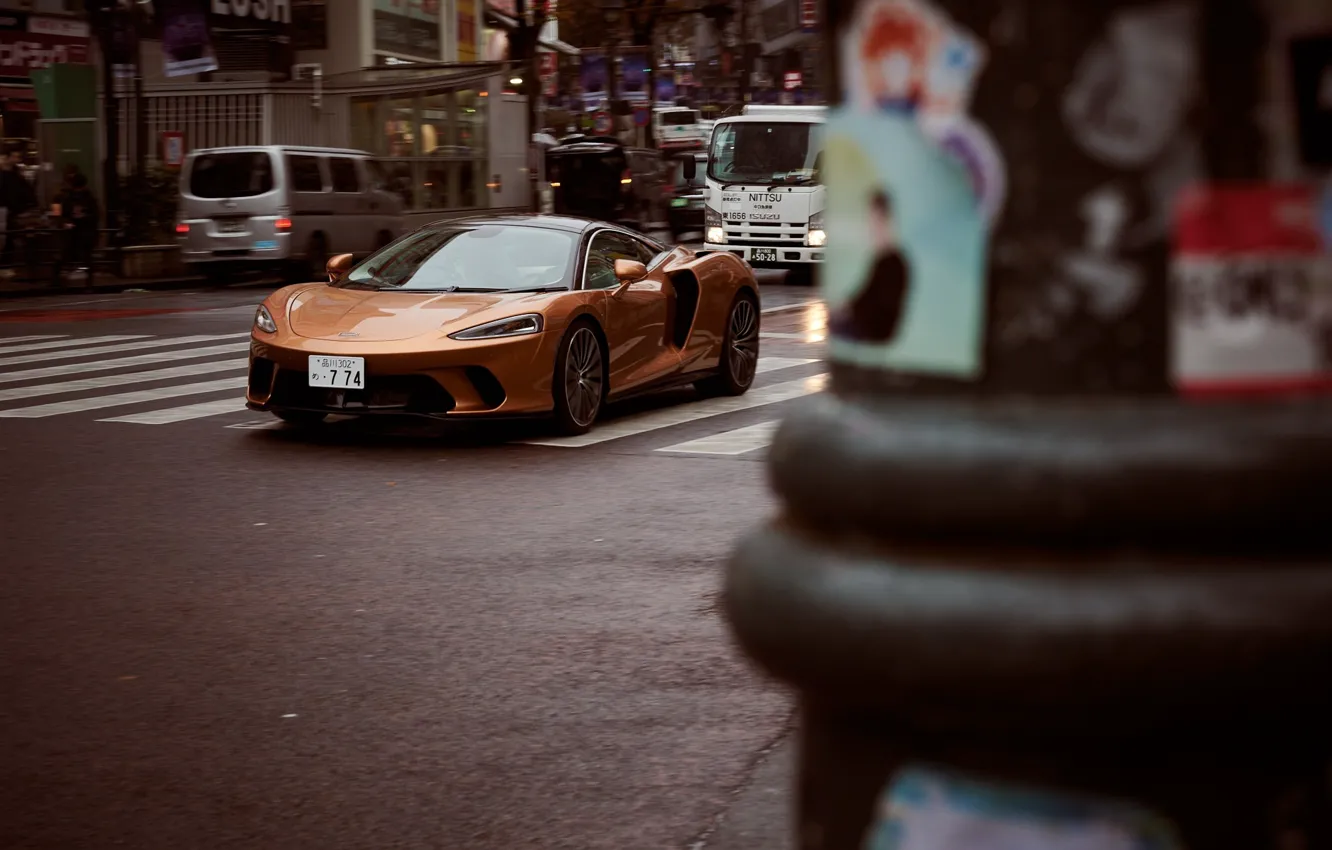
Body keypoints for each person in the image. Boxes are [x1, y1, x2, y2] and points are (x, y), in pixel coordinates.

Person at [830, 189, 912, 343]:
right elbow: (864, 295)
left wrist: (848, 310)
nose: (869, 228)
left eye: (872, 220)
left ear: (884, 220)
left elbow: (879, 306)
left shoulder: (893, 263)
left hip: (874, 332)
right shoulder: (882, 260)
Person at [54, 171, 99, 277]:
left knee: (69, 255)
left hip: (73, 233)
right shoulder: (89, 198)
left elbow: (62, 214)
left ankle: (65, 276)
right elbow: (95, 215)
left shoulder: (67, 198)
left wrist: (67, 222)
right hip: (86, 232)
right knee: (86, 256)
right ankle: (87, 280)